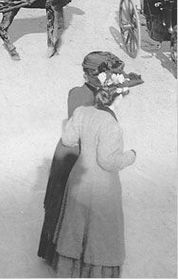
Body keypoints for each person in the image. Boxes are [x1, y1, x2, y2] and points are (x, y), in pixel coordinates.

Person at [51, 63, 144, 277]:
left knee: (75, 229)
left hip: (78, 179)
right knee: (99, 234)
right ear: (118, 97)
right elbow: (108, 162)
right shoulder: (112, 125)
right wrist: (131, 156)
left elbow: (68, 139)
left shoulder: (82, 111)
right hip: (101, 187)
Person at [38, 52, 126, 265]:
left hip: (71, 152)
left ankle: (56, 254)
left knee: (67, 206)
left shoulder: (79, 92)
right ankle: (71, 257)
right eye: (111, 75)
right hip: (79, 156)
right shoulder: (93, 101)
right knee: (74, 208)